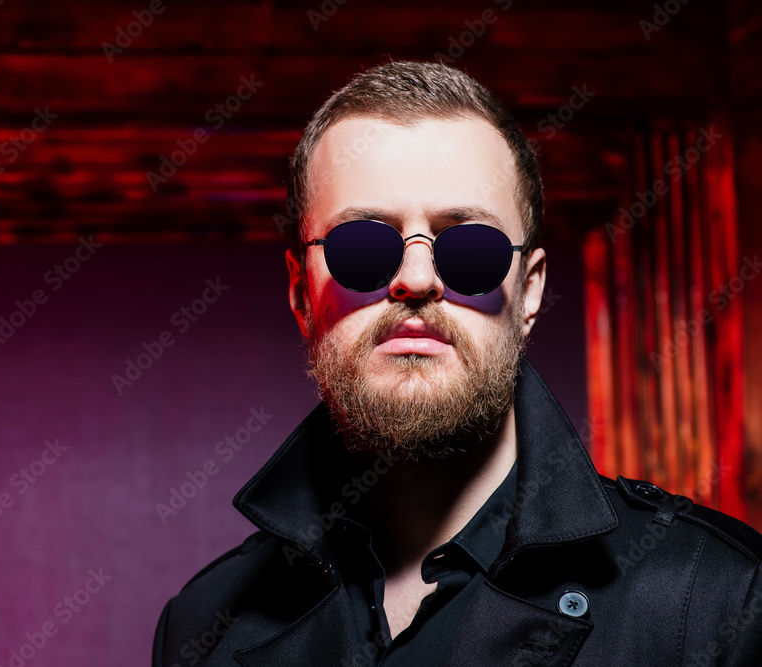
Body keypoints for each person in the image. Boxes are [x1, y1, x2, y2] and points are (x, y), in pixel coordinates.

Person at [152, 61, 762, 666]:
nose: (417, 279)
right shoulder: (200, 627)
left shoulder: (718, 602)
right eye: (362, 245)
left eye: (470, 247)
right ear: (300, 293)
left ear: (529, 292)